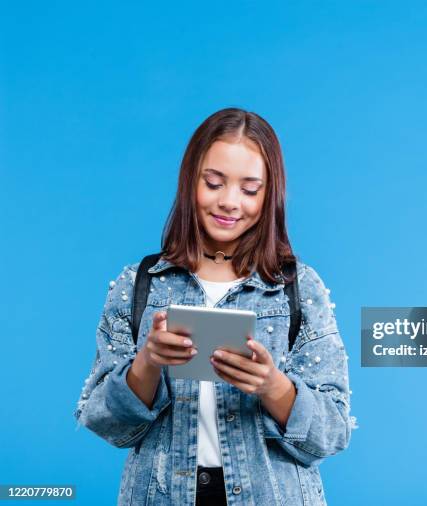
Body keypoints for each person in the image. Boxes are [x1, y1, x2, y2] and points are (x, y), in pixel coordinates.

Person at [73, 108, 354, 506]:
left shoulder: (297, 288)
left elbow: (333, 432)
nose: (229, 202)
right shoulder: (138, 285)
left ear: (270, 194)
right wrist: (147, 363)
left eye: (250, 189)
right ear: (191, 181)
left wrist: (272, 385)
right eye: (214, 183)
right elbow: (105, 421)